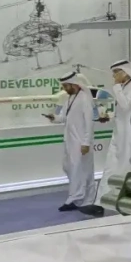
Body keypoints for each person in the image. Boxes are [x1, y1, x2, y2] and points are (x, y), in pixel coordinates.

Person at [44, 70, 99, 215]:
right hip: (70, 141)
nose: (64, 89)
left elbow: (89, 122)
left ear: (74, 84)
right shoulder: (69, 98)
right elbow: (64, 117)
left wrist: (86, 142)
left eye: (66, 86)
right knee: (70, 168)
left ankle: (79, 199)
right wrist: (54, 118)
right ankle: (77, 197)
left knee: (82, 170)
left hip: (81, 142)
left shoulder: (84, 99)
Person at [95, 60, 131, 204]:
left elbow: (126, 105)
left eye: (116, 73)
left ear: (125, 72)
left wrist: (116, 87)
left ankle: (129, 199)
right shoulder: (124, 87)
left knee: (128, 166)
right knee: (111, 165)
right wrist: (109, 116)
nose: (113, 76)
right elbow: (122, 111)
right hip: (119, 133)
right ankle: (102, 200)